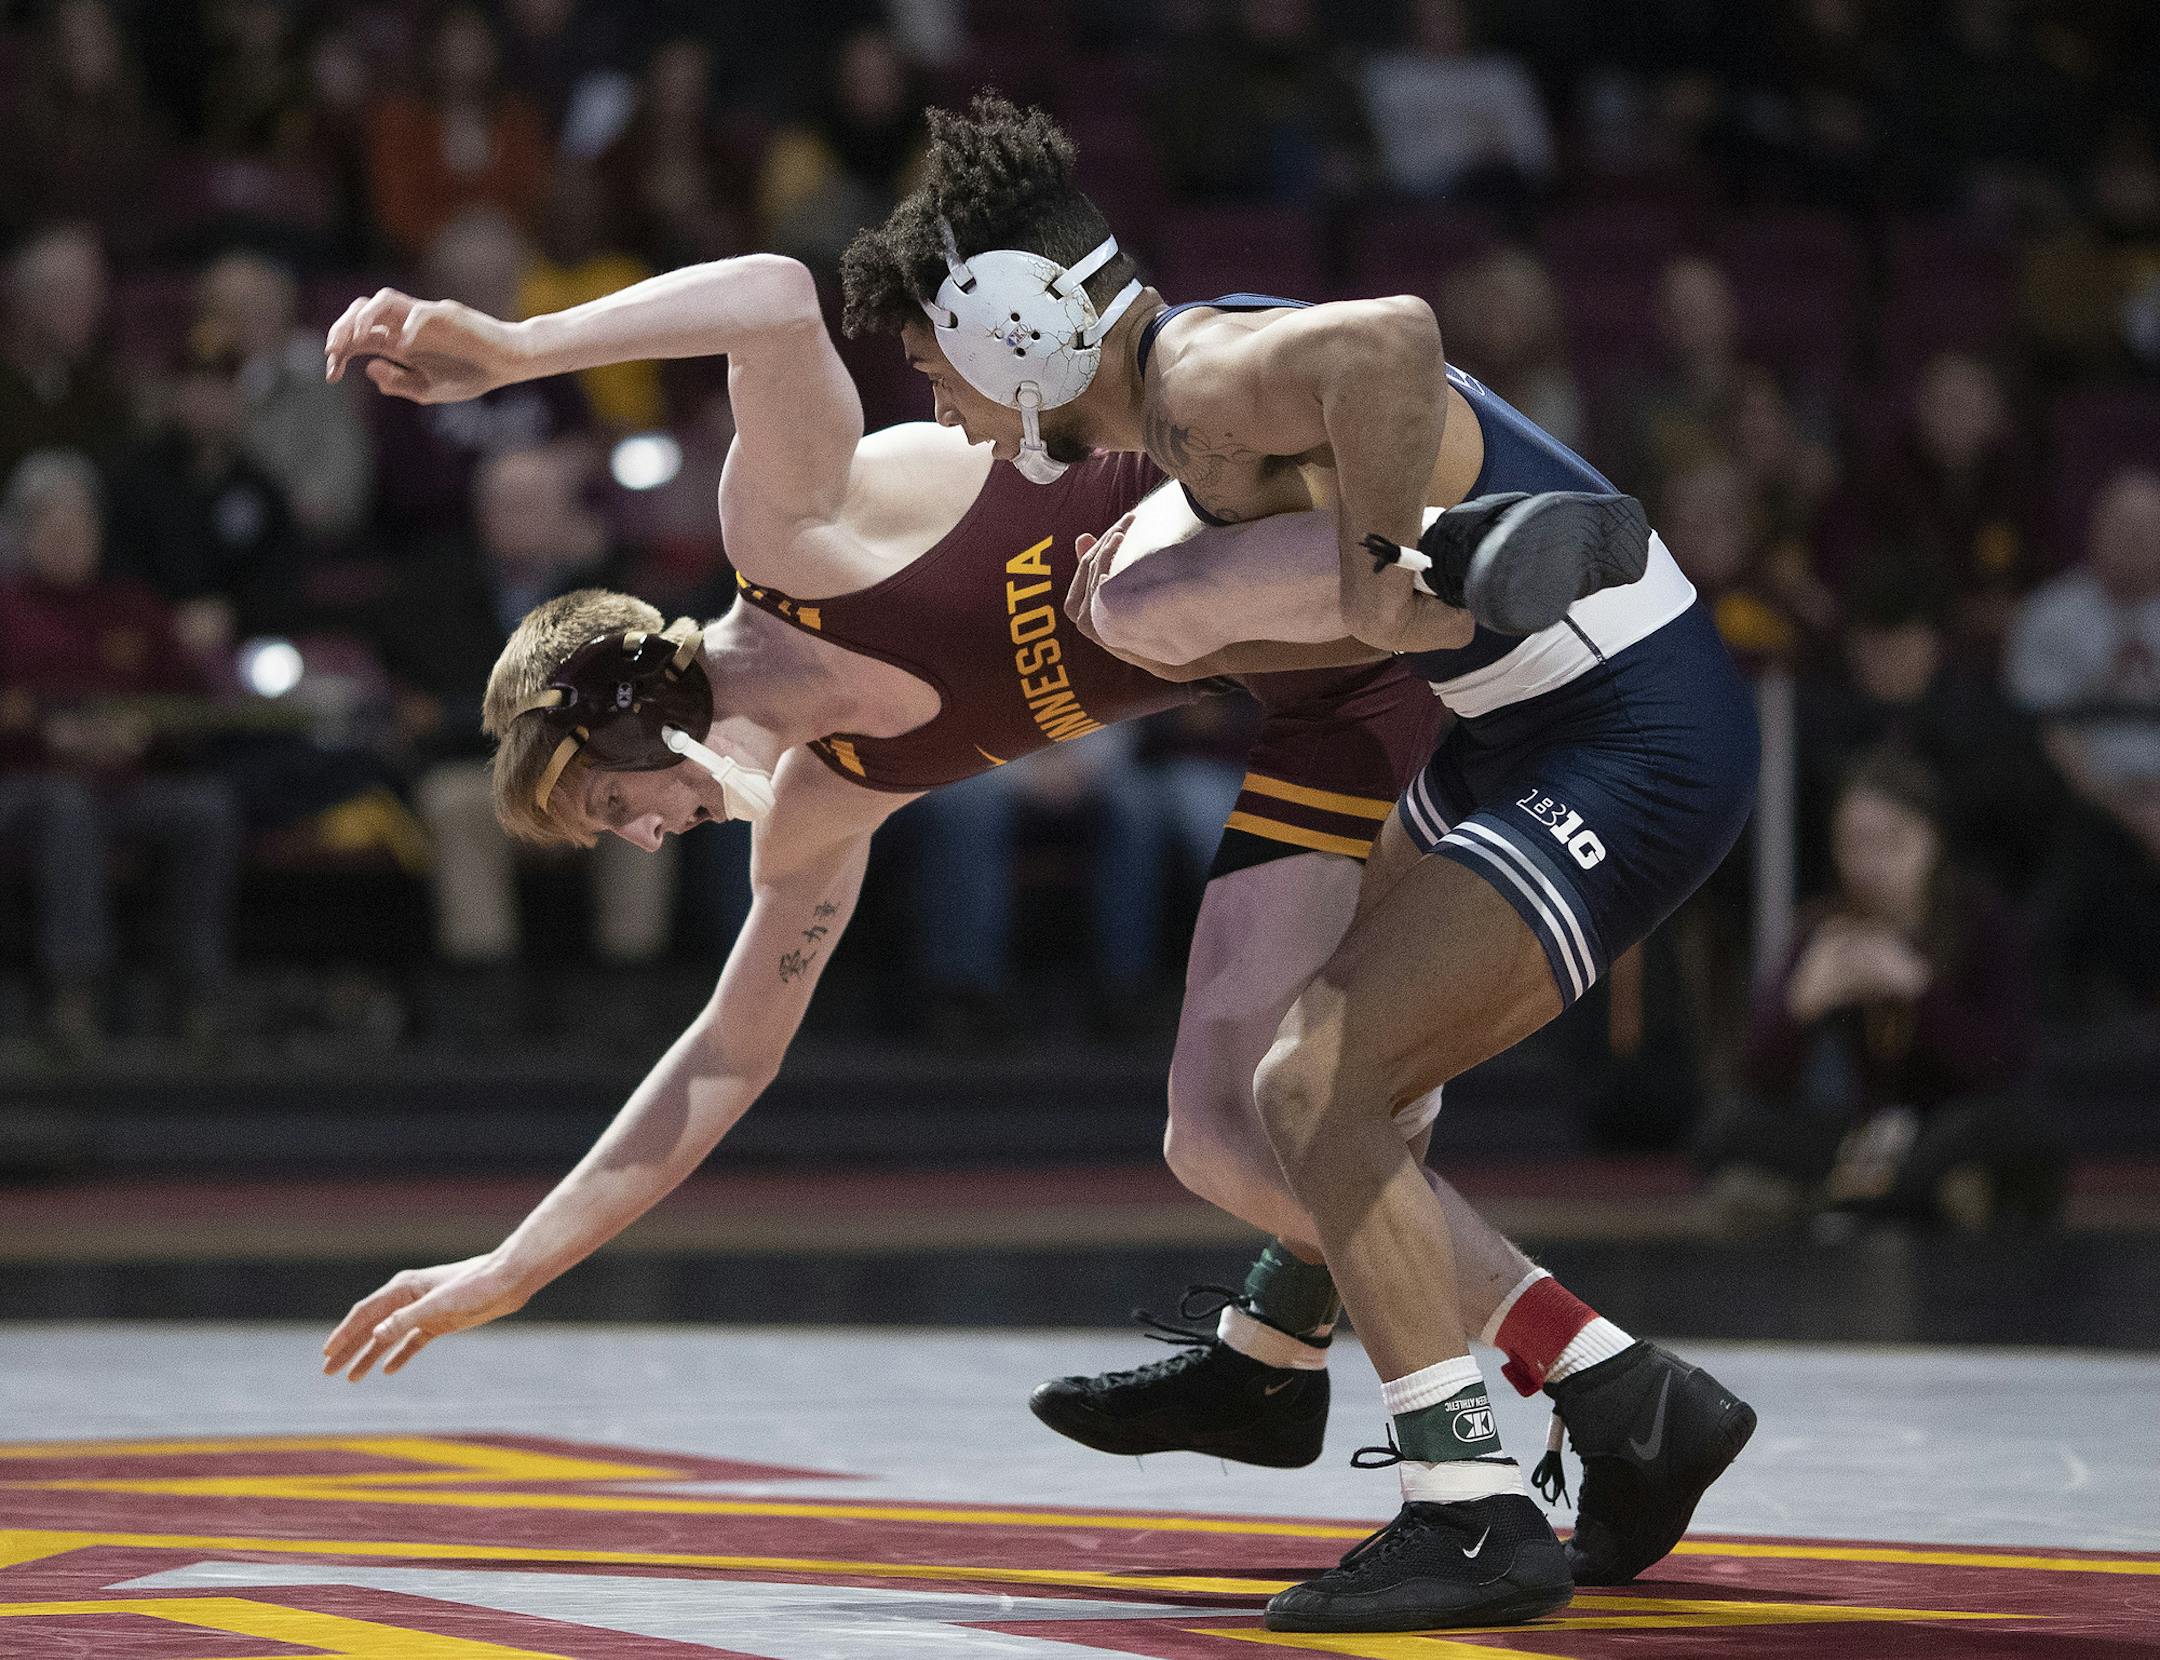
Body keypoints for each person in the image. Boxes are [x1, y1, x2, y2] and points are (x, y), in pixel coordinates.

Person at [315, 252, 1510, 1465]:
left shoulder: (789, 535)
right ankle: (1333, 1361)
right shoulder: (821, 801)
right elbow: (728, 1057)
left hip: (1337, 526)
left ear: (634, 714)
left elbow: (778, 298)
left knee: (1150, 610)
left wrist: (519, 350)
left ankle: (1514, 1366)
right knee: (1235, 1137)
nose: (642, 833)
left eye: (612, 798)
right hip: (1332, 704)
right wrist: (517, 1265)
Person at [843, 94, 1757, 1633]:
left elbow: (1393, 334)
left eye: (940, 370)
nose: (946, 415)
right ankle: (1366, 1367)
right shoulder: (1190, 431)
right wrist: (1363, 582)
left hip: (1630, 740)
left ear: (1013, 322)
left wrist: (1386, 566)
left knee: (1311, 1090)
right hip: (1525, 730)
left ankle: (1467, 1510)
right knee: (1333, 1076)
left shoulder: (1202, 375)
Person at [1699, 749, 2060, 1233]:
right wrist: (1801, 1006)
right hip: (1859, 1139)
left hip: (1943, 1130)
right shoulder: (1823, 929)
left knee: (2013, 1129)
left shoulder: (1980, 922)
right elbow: (1751, 1079)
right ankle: (1894, 1198)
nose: (1869, 865)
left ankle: (1849, 1202)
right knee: (1724, 1129)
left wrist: (1919, 989)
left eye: (1890, 844)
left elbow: (2003, 1068)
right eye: (1853, 844)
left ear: (1932, 842)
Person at [0, 450, 242, 1058]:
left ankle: (196, 989)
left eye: (82, 522)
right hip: (24, 786)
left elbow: (190, 706)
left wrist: (142, 734)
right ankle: (75, 993)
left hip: (122, 783)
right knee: (65, 807)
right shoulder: (7, 609)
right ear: (23, 531)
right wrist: (49, 738)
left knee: (207, 809)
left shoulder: (134, 607)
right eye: (54, 523)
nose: (70, 537)